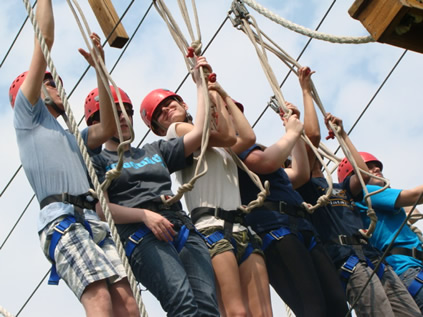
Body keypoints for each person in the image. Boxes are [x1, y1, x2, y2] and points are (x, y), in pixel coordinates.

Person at [10, 1, 139, 316]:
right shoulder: (26, 116)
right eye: (48, 82)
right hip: (62, 220)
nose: (55, 84)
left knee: (129, 306)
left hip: (92, 221)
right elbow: (45, 41)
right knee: (99, 300)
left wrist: (100, 73)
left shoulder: (73, 138)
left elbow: (107, 128)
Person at [91, 56, 220, 317]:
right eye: (115, 113)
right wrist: (144, 215)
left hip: (180, 225)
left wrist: (199, 84)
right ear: (98, 122)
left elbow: (200, 133)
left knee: (207, 307)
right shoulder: (97, 160)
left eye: (127, 111)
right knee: (182, 303)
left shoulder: (155, 150)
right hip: (140, 232)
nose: (124, 118)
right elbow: (102, 210)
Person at [140, 78, 273, 316]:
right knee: (236, 312)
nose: (167, 110)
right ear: (159, 129)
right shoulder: (175, 133)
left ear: (184, 103)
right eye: (160, 113)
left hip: (241, 227)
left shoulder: (220, 145)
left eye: (170, 103)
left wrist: (219, 92)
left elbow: (247, 137)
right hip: (212, 228)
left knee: (262, 312)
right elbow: (229, 136)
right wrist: (208, 92)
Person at [298, 66, 421, 316]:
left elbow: (362, 175)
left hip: (374, 259)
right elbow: (311, 135)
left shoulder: (342, 189)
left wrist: (342, 134)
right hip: (349, 261)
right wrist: (305, 91)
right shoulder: (308, 189)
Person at [236, 97, 348, 317]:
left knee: (337, 304)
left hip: (300, 225)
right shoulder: (229, 146)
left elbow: (298, 175)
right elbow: (265, 162)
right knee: (312, 308)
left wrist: (294, 131)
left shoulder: (256, 149)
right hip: (274, 228)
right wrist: (292, 132)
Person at [339, 151, 423, 313]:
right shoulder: (367, 192)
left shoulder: (377, 201)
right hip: (407, 269)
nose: (376, 168)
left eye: (377, 166)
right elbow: (413, 196)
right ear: (354, 178)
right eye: (368, 168)